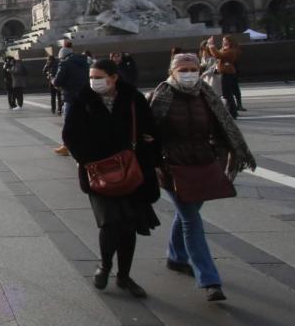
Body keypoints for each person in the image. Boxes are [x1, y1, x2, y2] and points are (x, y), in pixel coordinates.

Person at [149, 53, 257, 302]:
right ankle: (209, 279)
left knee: (188, 213)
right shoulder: (161, 96)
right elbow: (148, 132)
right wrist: (153, 163)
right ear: (172, 71)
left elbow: (223, 127)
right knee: (191, 220)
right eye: (183, 69)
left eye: (193, 68)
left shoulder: (206, 96)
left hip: (203, 165)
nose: (189, 73)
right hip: (171, 166)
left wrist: (225, 154)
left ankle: (176, 257)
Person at [63, 58, 161, 299]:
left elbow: (150, 131)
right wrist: (86, 159)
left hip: (130, 171)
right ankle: (105, 266)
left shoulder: (133, 99)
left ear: (114, 77)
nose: (94, 81)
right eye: (92, 77)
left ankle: (124, 276)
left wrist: (148, 156)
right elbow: (70, 135)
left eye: (99, 76)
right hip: (98, 171)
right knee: (110, 222)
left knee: (128, 224)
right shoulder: (82, 99)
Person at [52, 44, 89, 155]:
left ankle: (66, 146)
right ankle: (84, 144)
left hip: (71, 96)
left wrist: (52, 80)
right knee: (84, 121)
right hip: (85, 96)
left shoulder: (65, 63)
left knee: (68, 122)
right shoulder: (85, 62)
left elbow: (58, 81)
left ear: (62, 56)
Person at [205, 35, 244, 117]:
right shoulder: (227, 49)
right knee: (227, 94)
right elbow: (216, 54)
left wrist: (211, 45)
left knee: (228, 94)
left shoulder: (232, 51)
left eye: (225, 40)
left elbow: (219, 55)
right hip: (225, 73)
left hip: (228, 73)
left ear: (230, 41)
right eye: (223, 40)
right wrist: (211, 46)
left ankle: (233, 113)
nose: (223, 42)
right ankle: (232, 112)